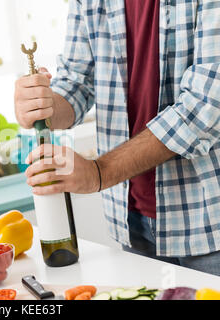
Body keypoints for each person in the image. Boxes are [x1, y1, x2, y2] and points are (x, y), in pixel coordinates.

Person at [14, 0, 220, 276]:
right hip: (129, 219)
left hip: (208, 219)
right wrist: (44, 104)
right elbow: (76, 81)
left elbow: (204, 106)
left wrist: (100, 172)